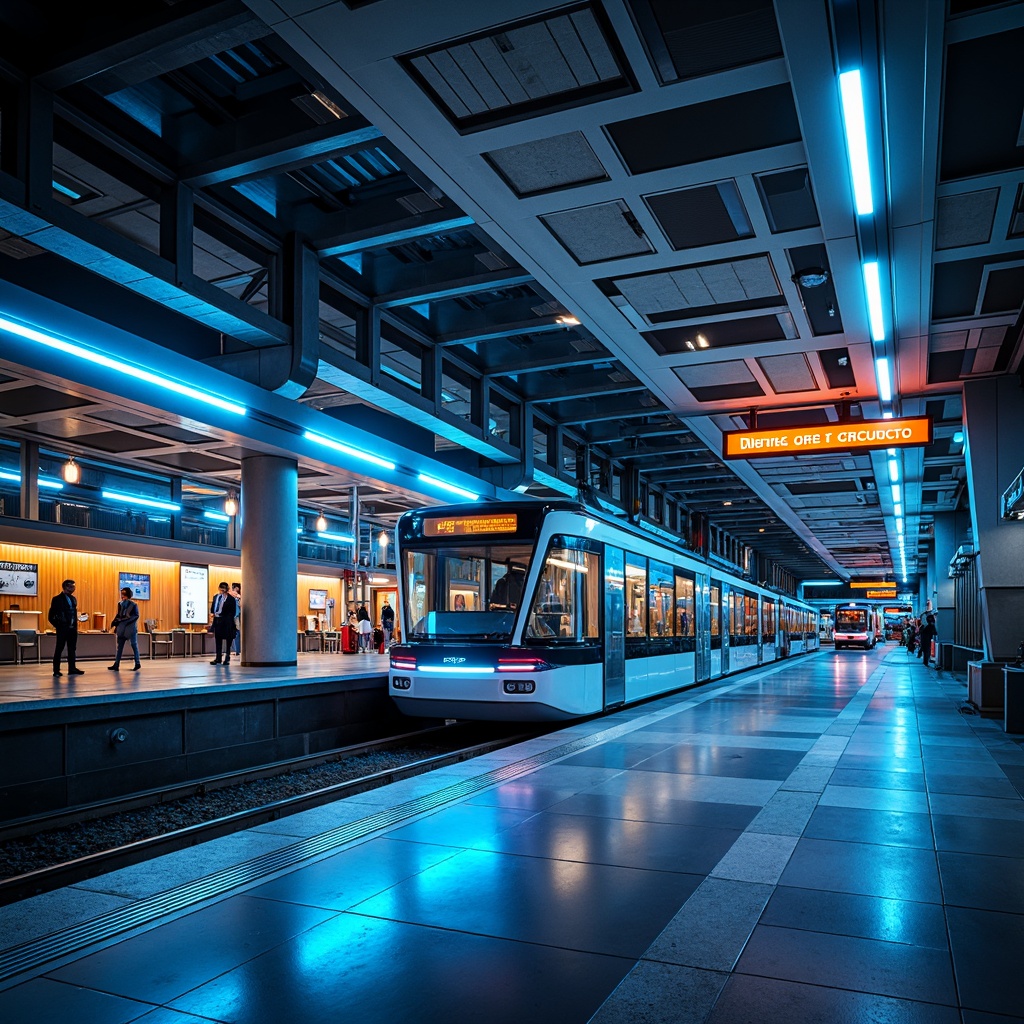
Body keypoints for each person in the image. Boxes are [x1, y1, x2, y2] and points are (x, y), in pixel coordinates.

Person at [48, 579, 85, 676]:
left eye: (74, 586)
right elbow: (51, 615)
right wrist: (59, 625)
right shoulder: (57, 599)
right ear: (66, 587)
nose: (74, 588)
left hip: (72, 628)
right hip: (63, 628)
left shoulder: (73, 599)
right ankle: (56, 670)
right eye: (72, 586)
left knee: (72, 648)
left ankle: (72, 668)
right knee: (59, 649)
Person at [108, 586, 141, 671]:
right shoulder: (120, 604)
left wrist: (126, 621)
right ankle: (116, 664)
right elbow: (119, 614)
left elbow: (136, 615)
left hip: (131, 628)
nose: (122, 596)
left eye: (124, 594)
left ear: (128, 595)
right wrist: (115, 621)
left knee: (134, 645)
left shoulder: (133, 604)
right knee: (120, 646)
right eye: (122, 594)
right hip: (122, 627)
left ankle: (137, 663)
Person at [208, 581, 237, 665]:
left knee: (228, 639)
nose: (222, 592)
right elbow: (213, 608)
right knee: (218, 639)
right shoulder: (216, 597)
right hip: (217, 620)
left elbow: (233, 612)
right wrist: (213, 614)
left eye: (224, 590)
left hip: (227, 622)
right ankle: (218, 658)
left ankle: (227, 657)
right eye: (221, 590)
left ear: (227, 589)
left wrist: (227, 618)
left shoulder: (231, 599)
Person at [230, 582, 242, 656]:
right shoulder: (237, 596)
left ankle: (236, 650)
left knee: (235, 634)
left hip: (233, 616)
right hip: (236, 616)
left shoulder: (235, 596)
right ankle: (237, 650)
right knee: (237, 633)